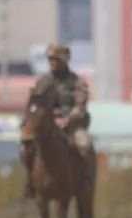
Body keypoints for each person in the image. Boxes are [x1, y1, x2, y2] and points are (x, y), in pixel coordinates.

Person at [20, 44, 93, 198]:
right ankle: (30, 182)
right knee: (26, 148)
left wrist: (67, 119)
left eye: (56, 59)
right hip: (47, 125)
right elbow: (34, 103)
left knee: (84, 144)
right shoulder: (44, 81)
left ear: (65, 60)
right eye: (50, 59)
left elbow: (81, 105)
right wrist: (28, 121)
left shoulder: (77, 81)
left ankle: (85, 181)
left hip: (72, 126)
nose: (52, 63)